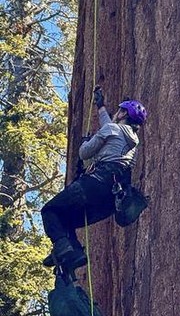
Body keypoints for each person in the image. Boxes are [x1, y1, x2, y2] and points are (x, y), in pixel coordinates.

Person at [41, 88, 147, 271]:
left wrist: (85, 141)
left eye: (119, 110)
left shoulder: (113, 129)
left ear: (123, 114)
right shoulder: (132, 141)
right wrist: (101, 107)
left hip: (96, 182)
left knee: (50, 210)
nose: (116, 113)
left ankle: (63, 246)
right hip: (110, 200)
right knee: (65, 219)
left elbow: (84, 153)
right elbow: (111, 128)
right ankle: (73, 252)